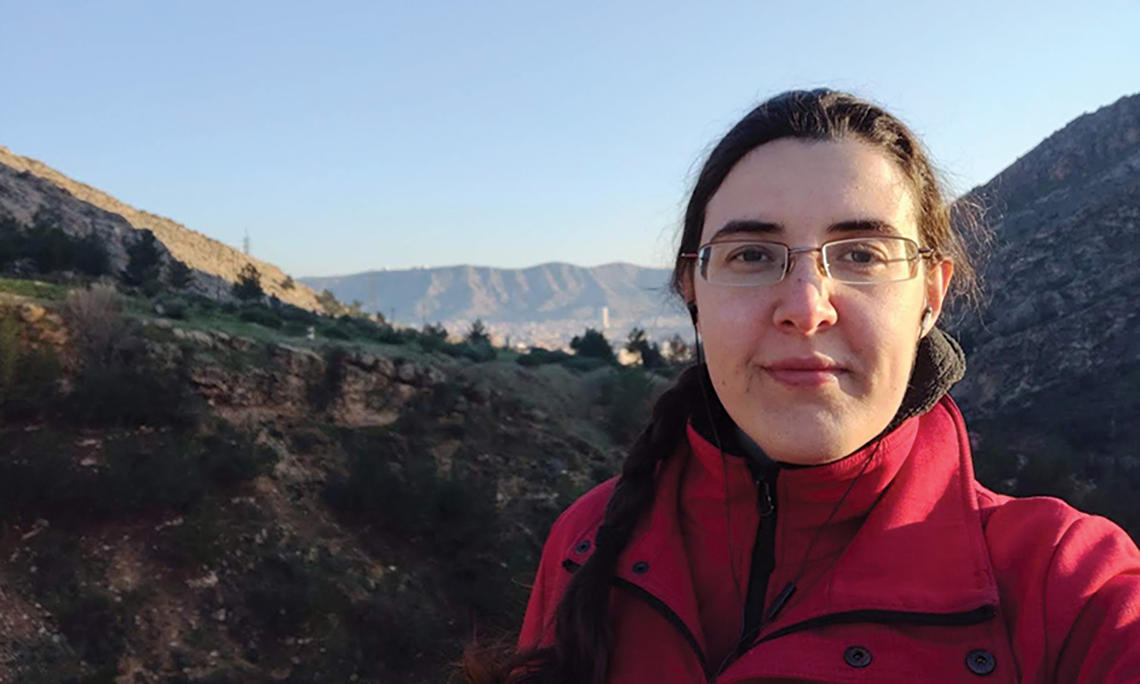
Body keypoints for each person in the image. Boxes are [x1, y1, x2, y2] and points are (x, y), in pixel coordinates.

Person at [468, 89, 1140, 683]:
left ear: (930, 296)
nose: (806, 305)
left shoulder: (1067, 584)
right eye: (752, 255)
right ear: (691, 291)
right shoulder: (587, 540)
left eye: (862, 255)